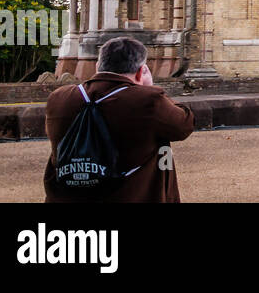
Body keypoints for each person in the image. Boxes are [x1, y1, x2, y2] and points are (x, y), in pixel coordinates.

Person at [43, 36, 194, 203]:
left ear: (97, 66)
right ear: (139, 72)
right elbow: (184, 124)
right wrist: (149, 88)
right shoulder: (147, 101)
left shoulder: (58, 98)